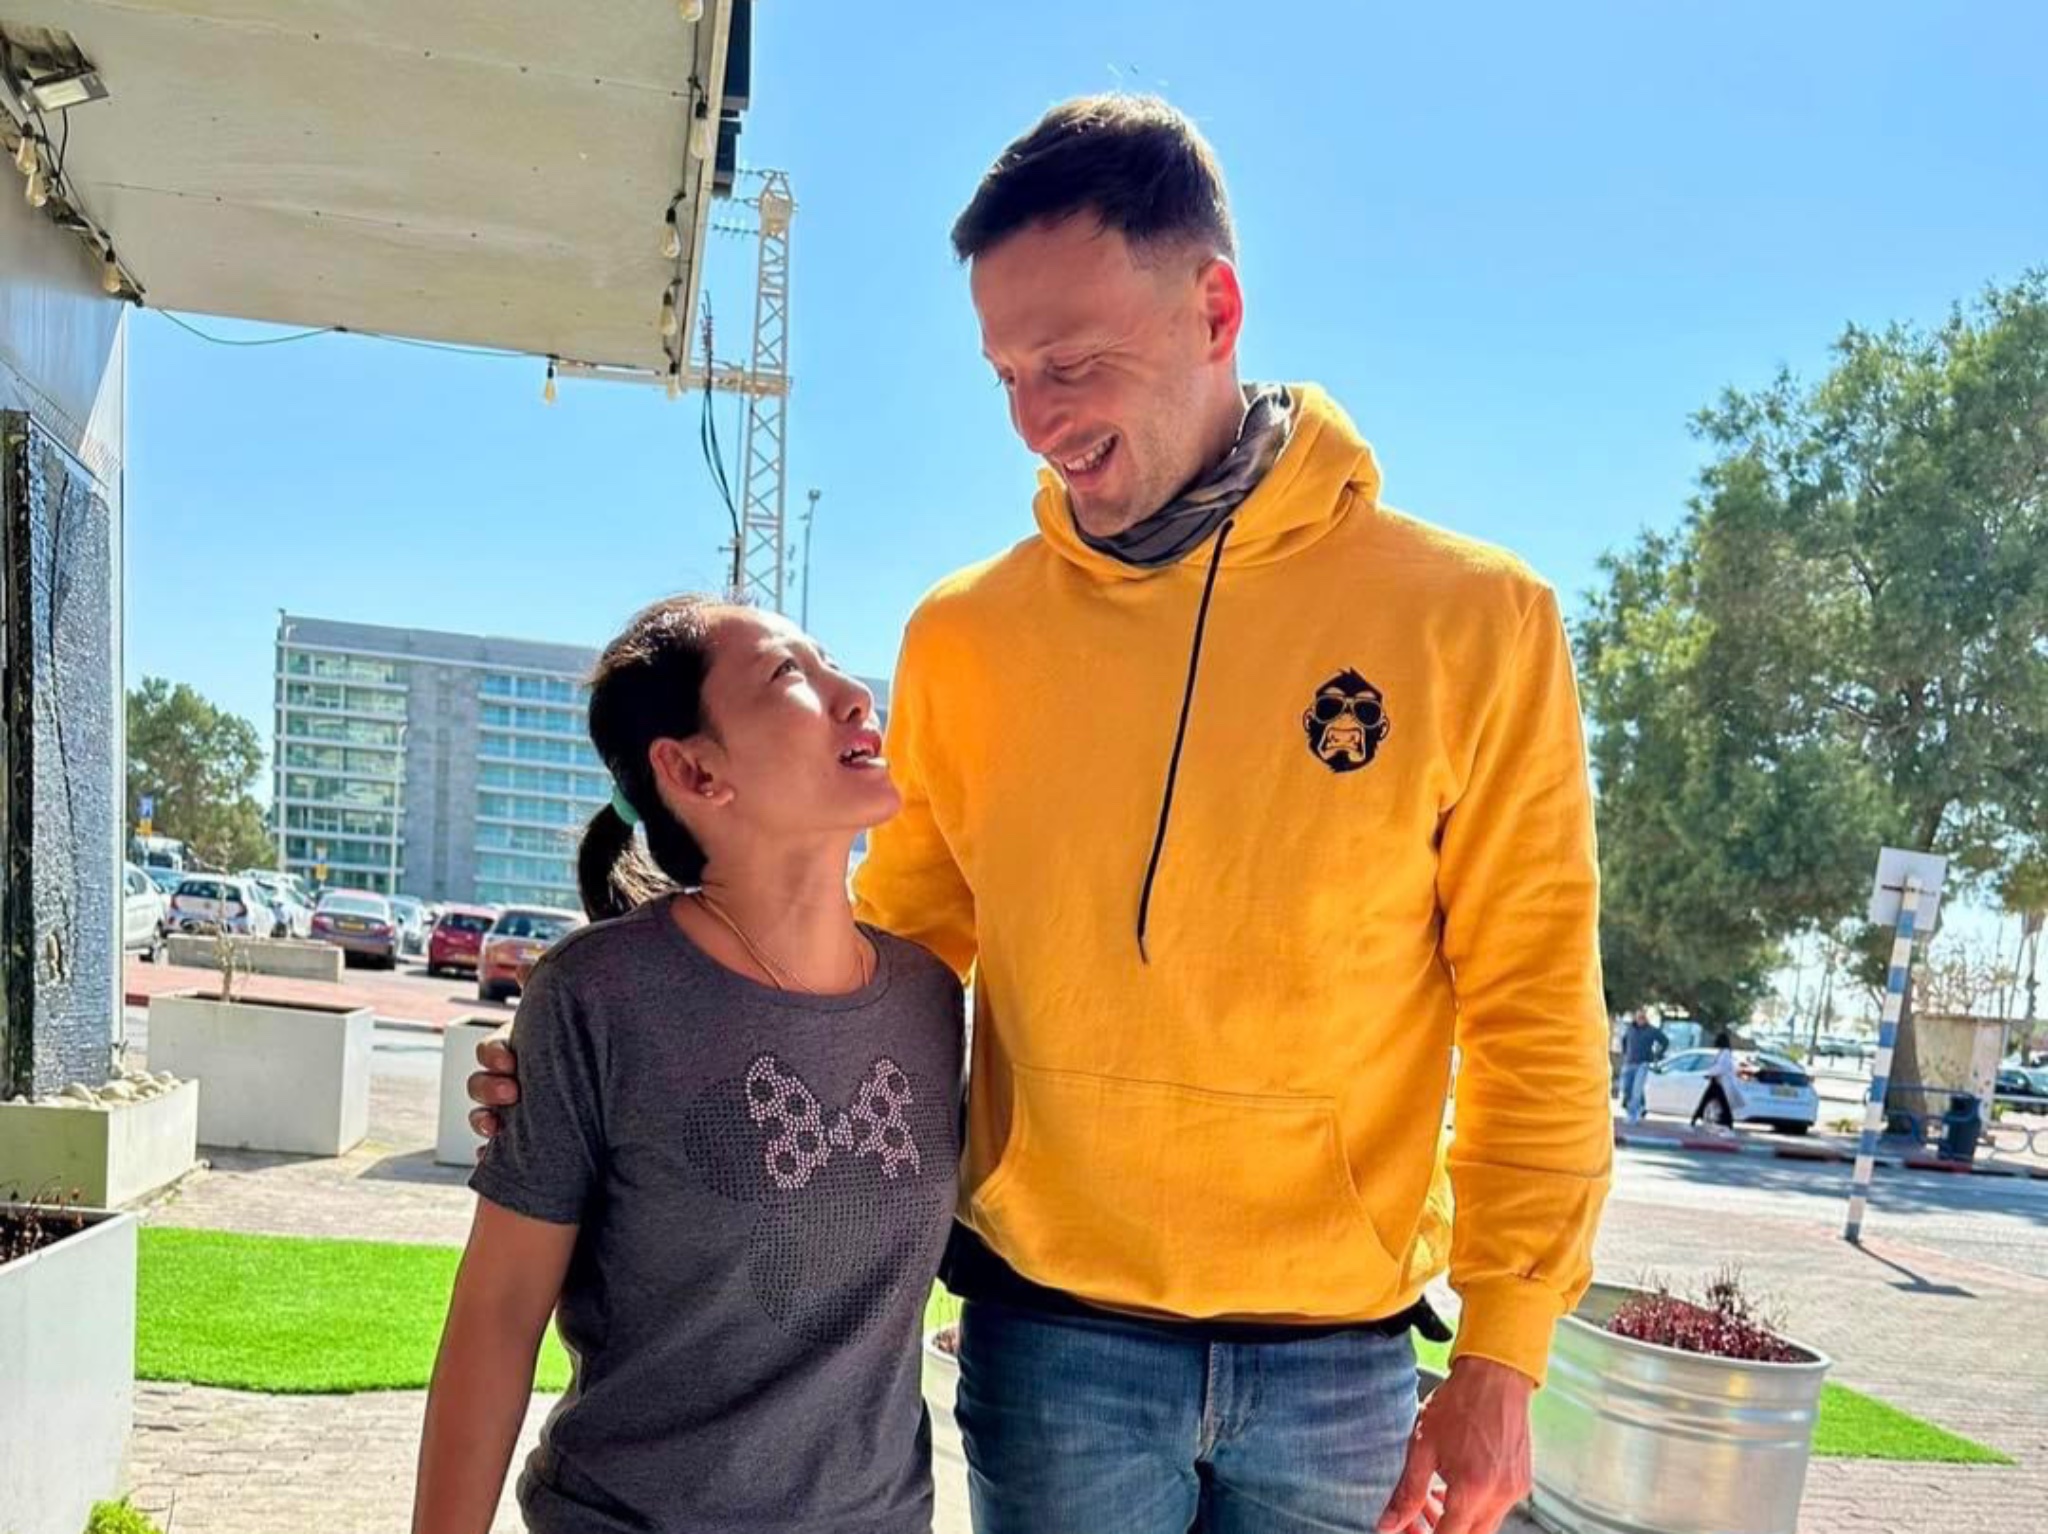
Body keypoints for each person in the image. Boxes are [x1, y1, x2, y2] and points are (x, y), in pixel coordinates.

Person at [472, 96, 1612, 1534]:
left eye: (1070, 361)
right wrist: (613, 1066)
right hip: (1053, 1347)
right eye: (1006, 372)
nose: (1035, 416)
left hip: (1342, 1364)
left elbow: (1533, 1001)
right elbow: (873, 962)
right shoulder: (968, 635)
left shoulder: (1475, 620)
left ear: (1215, 310)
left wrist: (1505, 1342)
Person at [416, 596, 963, 1534]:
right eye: (789, 674)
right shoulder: (598, 994)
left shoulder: (930, 1000)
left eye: (831, 661)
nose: (853, 695)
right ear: (693, 770)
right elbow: (499, 1312)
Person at [1692, 1031, 1747, 1133]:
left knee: (1722, 1103)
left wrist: (1710, 1073)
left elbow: (1721, 1067)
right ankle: (1697, 1116)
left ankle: (1726, 1121)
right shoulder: (1723, 1052)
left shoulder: (1725, 1053)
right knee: (1708, 1100)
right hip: (1716, 1082)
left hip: (1720, 1083)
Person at [1619, 1010, 1669, 1124]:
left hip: (1643, 1064)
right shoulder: (1630, 1029)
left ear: (1646, 1019)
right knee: (1626, 1089)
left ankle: (1632, 1115)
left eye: (1643, 1017)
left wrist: (1657, 1054)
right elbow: (1624, 1041)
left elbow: (1665, 1041)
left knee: (1636, 1090)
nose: (1641, 1019)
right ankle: (1641, 1107)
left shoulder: (1652, 1030)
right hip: (1629, 1063)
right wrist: (1625, 1054)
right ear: (1635, 1018)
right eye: (1639, 1017)